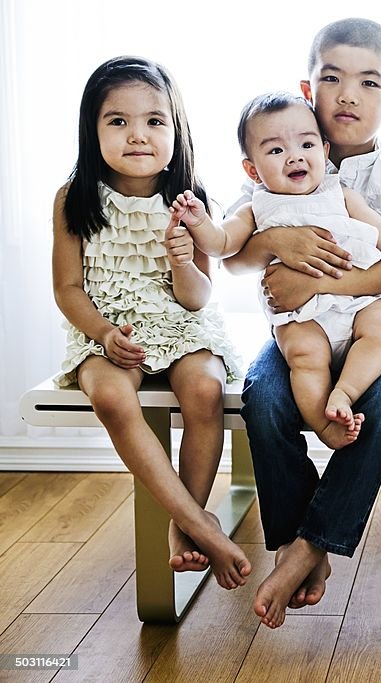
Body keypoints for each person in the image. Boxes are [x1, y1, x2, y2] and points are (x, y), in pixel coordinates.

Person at [219, 18, 381, 630]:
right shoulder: (280, 148)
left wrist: (317, 279)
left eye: (368, 82)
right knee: (262, 396)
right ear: (307, 87)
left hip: (372, 330)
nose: (347, 94)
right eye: (331, 78)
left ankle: (314, 544)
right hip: (301, 332)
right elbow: (237, 254)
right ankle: (290, 537)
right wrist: (275, 240)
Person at [51, 56, 249, 590]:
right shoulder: (75, 199)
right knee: (112, 398)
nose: (137, 135)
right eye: (118, 121)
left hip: (177, 321)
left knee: (205, 390)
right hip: (107, 326)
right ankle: (195, 523)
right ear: (91, 131)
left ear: (175, 129)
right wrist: (102, 335)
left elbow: (197, 299)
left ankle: (189, 522)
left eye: (154, 121)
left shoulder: (190, 199)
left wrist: (184, 262)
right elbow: (67, 289)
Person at [169, 93, 381, 451]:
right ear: (252, 170)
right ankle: (325, 427)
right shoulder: (257, 205)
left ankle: (343, 392)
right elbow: (223, 246)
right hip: (300, 315)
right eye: (276, 151)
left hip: (357, 302)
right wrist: (200, 221)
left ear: (324, 152)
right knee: (305, 358)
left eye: (306, 144)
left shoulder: (339, 193)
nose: (294, 155)